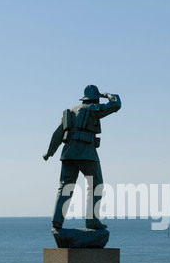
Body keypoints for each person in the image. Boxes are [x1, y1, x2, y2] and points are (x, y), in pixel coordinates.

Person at [43, 85, 121, 230]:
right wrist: (107, 95)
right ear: (95, 98)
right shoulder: (94, 109)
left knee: (65, 188)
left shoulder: (71, 112)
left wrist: (49, 152)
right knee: (96, 186)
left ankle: (56, 221)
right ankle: (92, 222)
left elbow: (57, 134)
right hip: (87, 154)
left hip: (68, 154)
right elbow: (116, 104)